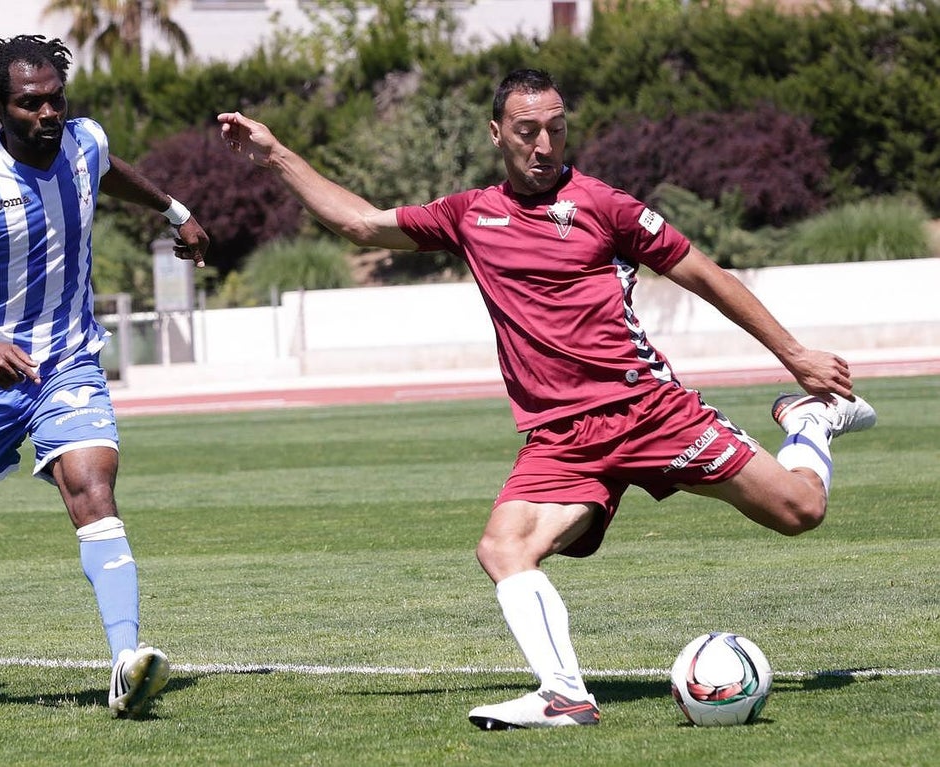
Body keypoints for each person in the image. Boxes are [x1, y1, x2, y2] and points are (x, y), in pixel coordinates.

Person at [217, 68, 876, 730]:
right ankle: (564, 695)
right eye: (527, 131)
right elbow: (360, 222)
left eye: (556, 131)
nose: (543, 145)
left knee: (801, 510)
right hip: (562, 439)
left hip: (646, 410)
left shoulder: (606, 206)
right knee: (503, 546)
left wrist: (793, 355)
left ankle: (809, 421)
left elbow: (704, 273)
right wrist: (276, 154)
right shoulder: (469, 214)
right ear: (497, 132)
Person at [0, 34, 209, 719]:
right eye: (30, 102)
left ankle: (125, 662)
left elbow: (109, 168)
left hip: (69, 361)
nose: (48, 113)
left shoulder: (84, 141)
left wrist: (173, 211)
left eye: (55, 99)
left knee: (93, 486)